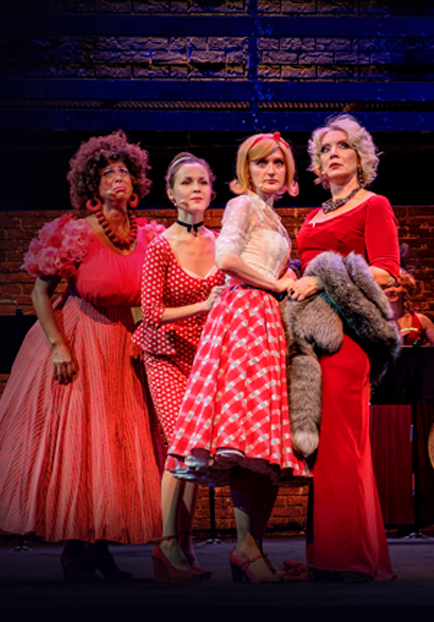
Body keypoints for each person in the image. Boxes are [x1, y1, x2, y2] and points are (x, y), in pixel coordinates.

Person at [0, 130, 164, 583]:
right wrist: (58, 346)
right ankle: (75, 550)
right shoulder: (74, 233)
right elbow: (40, 293)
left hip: (123, 347)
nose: (117, 177)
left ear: (137, 182)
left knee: (113, 449)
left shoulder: (148, 236)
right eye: (107, 173)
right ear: (92, 186)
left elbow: (145, 298)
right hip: (80, 339)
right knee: (81, 447)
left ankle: (99, 548)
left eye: (124, 171)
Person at [166, 132, 310, 584]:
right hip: (245, 314)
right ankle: (244, 549)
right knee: (246, 438)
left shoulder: (272, 216)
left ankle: (251, 549)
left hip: (264, 318)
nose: (271, 170)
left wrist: (289, 277)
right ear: (246, 170)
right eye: (261, 163)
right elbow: (227, 259)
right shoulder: (242, 205)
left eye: (278, 163)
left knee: (262, 441)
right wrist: (276, 282)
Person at [288, 113, 400, 582]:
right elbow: (305, 266)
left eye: (342, 146)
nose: (333, 154)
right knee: (321, 449)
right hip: (309, 337)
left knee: (343, 445)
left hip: (347, 338)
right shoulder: (314, 215)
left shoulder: (374, 205)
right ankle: (327, 555)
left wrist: (324, 279)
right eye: (325, 149)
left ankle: (352, 557)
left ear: (361, 156)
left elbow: (387, 270)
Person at [132, 152, 225, 583]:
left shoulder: (222, 243)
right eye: (186, 182)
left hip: (203, 357)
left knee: (197, 454)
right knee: (181, 446)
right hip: (166, 354)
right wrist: (203, 305)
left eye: (202, 182)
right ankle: (166, 544)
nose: (196, 189)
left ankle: (184, 546)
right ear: (171, 194)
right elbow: (151, 312)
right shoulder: (160, 245)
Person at [385, 269, 434, 346]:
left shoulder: (421, 320)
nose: (391, 290)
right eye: (386, 287)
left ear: (405, 289)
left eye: (397, 285)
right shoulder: (376, 322)